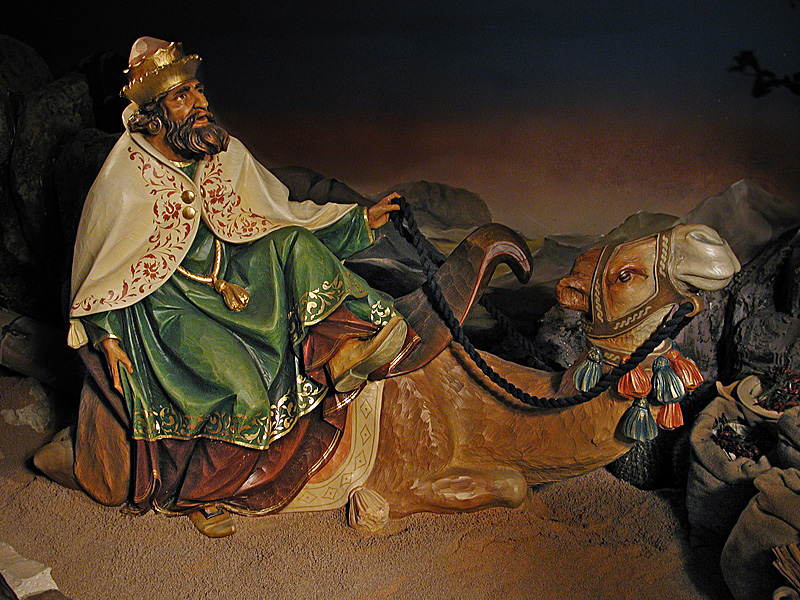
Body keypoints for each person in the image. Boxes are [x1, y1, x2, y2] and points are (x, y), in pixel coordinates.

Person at [39, 37, 417, 537]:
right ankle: (198, 494)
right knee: (245, 393)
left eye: (197, 91)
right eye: (183, 96)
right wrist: (107, 336)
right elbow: (103, 265)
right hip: (167, 308)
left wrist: (358, 221)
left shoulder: (222, 153)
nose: (200, 102)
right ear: (154, 117)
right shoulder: (124, 177)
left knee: (290, 243)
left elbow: (282, 214)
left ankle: (341, 347)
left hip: (234, 280)